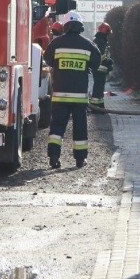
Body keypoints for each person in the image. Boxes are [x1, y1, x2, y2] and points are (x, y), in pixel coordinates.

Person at [43, 10, 101, 169]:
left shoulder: (56, 43)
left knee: (57, 127)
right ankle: (80, 160)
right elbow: (97, 62)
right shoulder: (88, 44)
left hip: (60, 96)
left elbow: (47, 58)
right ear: (80, 26)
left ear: (65, 26)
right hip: (79, 98)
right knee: (80, 128)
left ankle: (54, 157)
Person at [89, 23, 113, 110]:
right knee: (98, 88)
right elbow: (100, 56)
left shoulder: (98, 40)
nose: (108, 35)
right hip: (100, 68)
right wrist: (108, 61)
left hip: (99, 69)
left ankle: (100, 105)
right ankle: (96, 107)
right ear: (105, 32)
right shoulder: (101, 42)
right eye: (108, 33)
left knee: (99, 88)